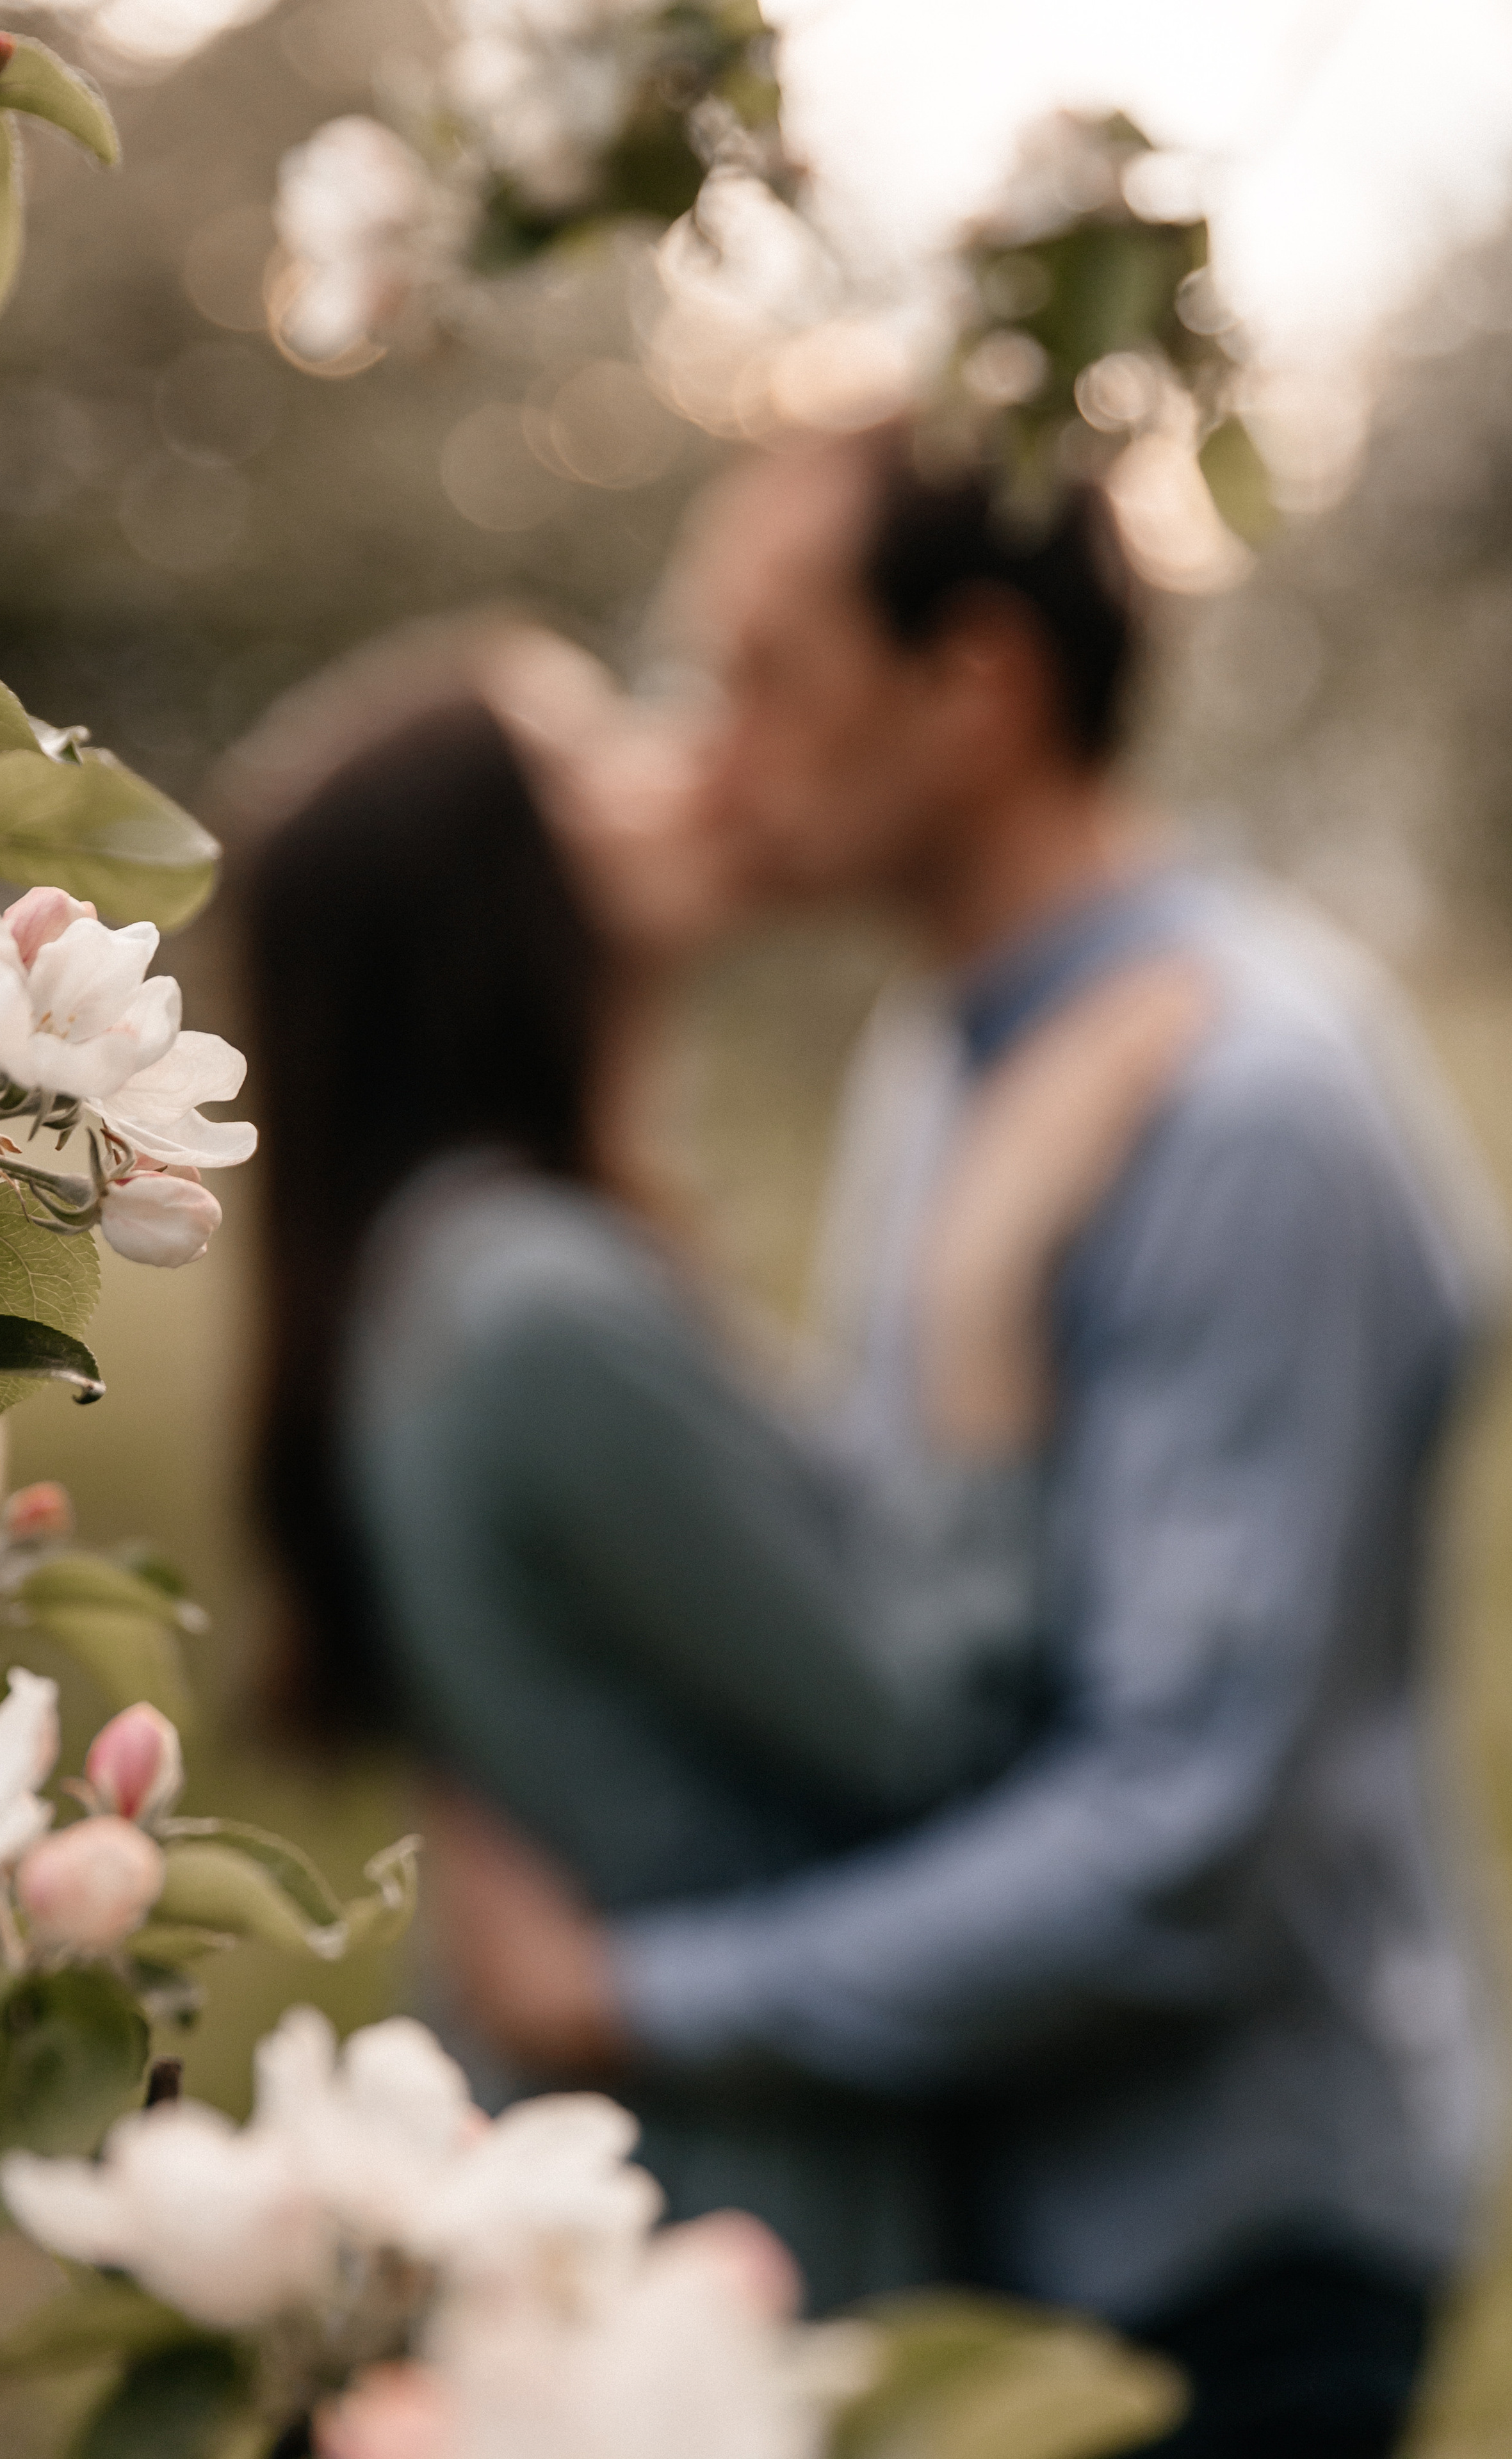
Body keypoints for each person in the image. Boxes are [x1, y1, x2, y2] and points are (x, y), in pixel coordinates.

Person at [427, 427, 1507, 2458]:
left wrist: (641, 1998)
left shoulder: (1248, 1107)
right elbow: (909, 1621)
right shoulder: (944, 1058)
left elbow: (1180, 1836)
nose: (717, 751)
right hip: (1007, 2213)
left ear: (976, 689)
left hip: (1225, 2252)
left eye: (769, 676)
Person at [234, 625, 1207, 2315]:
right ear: (486, 890)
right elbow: (931, 1732)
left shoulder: (467, 1271)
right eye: (595, 752)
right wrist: (981, 1309)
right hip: (710, 2221)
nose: (690, 758)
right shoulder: (533, 1304)